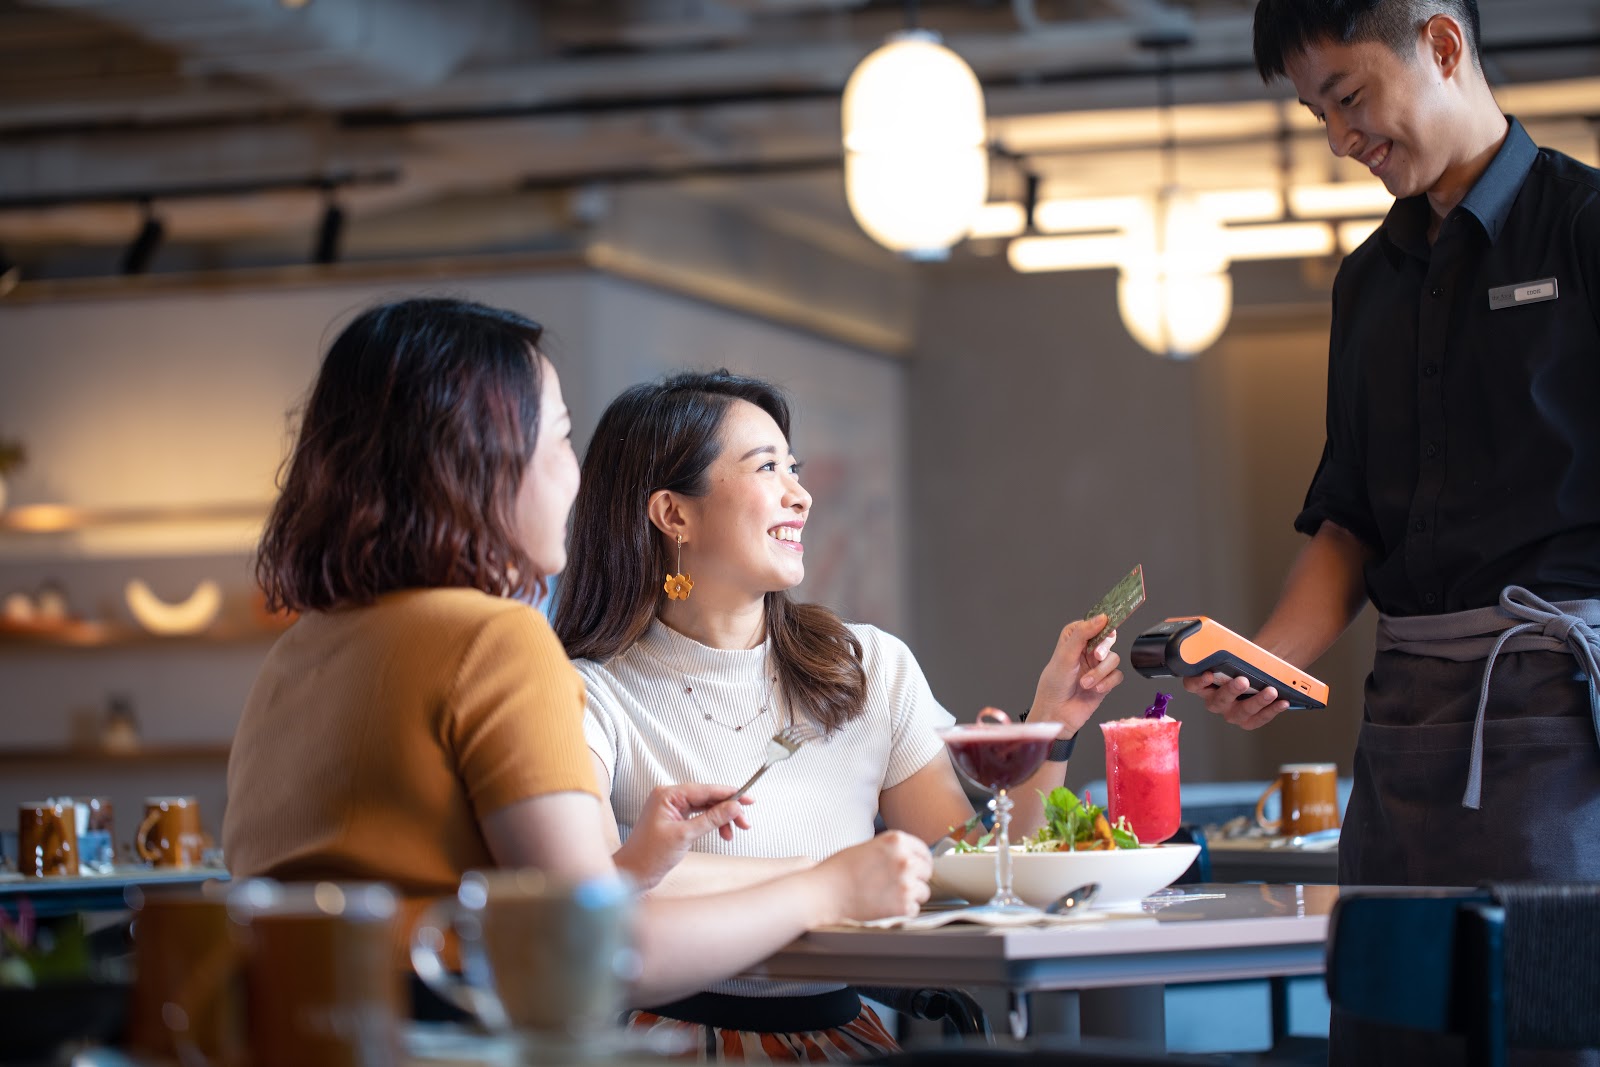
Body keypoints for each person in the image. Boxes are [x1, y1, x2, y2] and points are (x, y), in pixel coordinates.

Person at [223, 298, 933, 1019]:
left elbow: (483, 890)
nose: (576, 480)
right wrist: (829, 888)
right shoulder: (495, 640)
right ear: (483, 459)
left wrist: (631, 869)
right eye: (561, 439)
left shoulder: (297, 653)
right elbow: (595, 953)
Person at [553, 370, 1124, 1057]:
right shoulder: (588, 695)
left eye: (793, 468)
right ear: (674, 514)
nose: (801, 494)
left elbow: (974, 873)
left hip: (845, 1039)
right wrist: (834, 877)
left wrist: (1054, 725)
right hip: (666, 1045)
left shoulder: (869, 667)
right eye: (767, 467)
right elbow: (590, 894)